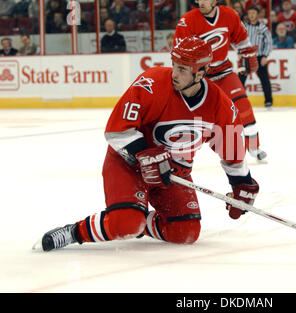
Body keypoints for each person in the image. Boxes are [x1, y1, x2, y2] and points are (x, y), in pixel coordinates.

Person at [34, 36, 260, 252]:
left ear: (201, 72)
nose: (175, 74)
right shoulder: (152, 83)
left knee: (186, 232)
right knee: (126, 225)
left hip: (172, 174)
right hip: (128, 165)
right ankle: (75, 232)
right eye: (174, 65)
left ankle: (141, 221)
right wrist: (145, 154)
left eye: (183, 69)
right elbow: (116, 129)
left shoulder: (220, 106)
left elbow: (232, 152)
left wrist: (242, 185)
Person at [174, 0, 267, 161]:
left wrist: (247, 54)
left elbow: (241, 39)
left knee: (243, 105)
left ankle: (253, 146)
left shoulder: (229, 14)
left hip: (224, 71)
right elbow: (179, 52)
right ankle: (181, 152)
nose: (200, 2)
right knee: (191, 114)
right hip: (200, 76)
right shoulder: (187, 20)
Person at [239, 6, 273, 108]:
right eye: (250, 13)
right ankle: (240, 100)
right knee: (241, 79)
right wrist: (240, 52)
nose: (252, 15)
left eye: (253, 13)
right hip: (246, 57)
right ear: (248, 15)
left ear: (257, 14)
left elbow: (268, 43)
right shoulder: (244, 27)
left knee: (264, 79)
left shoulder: (263, 28)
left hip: (259, 57)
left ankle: (268, 100)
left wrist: (265, 56)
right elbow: (239, 40)